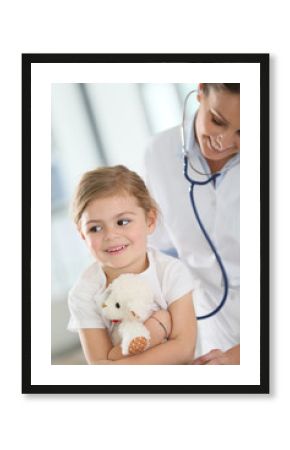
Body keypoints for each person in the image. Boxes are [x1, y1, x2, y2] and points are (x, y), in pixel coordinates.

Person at [145, 83, 240, 365]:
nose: (223, 141)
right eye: (217, 120)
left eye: (244, 134)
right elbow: (159, 246)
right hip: (211, 327)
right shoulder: (159, 152)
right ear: (199, 91)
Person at [67, 165, 197, 364]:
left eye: (122, 222)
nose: (111, 235)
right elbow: (99, 364)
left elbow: (184, 350)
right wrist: (158, 329)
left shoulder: (171, 272)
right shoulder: (84, 292)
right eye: (95, 228)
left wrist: (117, 361)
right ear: (82, 235)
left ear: (150, 220)